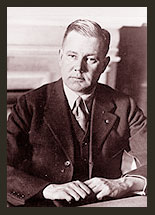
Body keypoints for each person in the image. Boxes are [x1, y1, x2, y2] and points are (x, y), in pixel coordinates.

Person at [7, 19, 147, 207]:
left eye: (91, 59)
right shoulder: (29, 104)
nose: (78, 68)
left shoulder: (124, 105)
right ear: (60, 56)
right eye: (72, 56)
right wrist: (46, 189)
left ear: (104, 64)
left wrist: (124, 184)